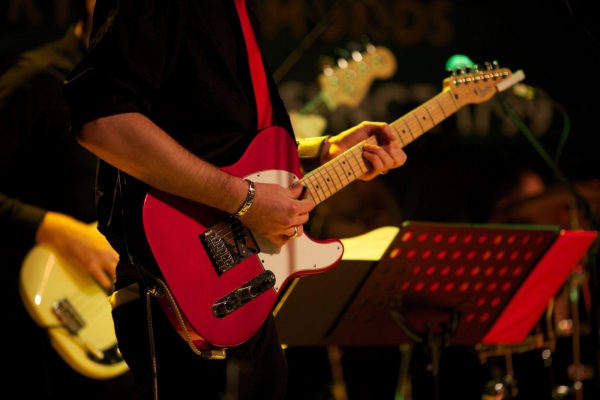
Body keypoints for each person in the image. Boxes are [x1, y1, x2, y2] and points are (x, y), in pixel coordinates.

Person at [63, 1, 407, 399]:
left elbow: (217, 143)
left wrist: (321, 150)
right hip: (179, 291)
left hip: (243, 292)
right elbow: (102, 120)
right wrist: (246, 201)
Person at [0, 0, 148, 398]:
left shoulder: (149, 94)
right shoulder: (34, 80)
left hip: (130, 318)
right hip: (41, 323)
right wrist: (56, 230)